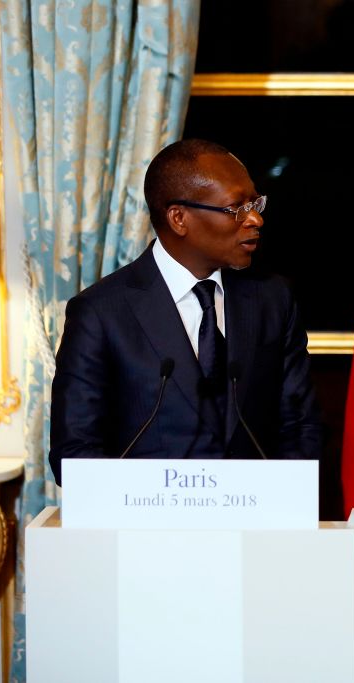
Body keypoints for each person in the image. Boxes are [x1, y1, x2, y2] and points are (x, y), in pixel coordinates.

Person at [49, 139, 323, 485]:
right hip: (147, 530)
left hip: (256, 527)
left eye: (255, 203)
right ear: (179, 218)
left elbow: (300, 426)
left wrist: (283, 503)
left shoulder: (273, 299)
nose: (255, 219)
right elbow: (74, 455)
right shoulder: (101, 313)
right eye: (236, 208)